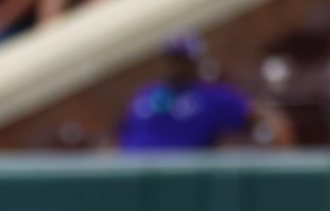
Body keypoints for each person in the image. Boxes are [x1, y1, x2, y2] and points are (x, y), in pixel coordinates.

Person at [118, 35, 291, 150]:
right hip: (133, 178)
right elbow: (118, 137)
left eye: (183, 60)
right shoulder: (146, 93)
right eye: (173, 60)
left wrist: (284, 169)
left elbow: (272, 119)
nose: (177, 66)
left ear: (195, 62)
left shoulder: (211, 96)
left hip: (181, 181)